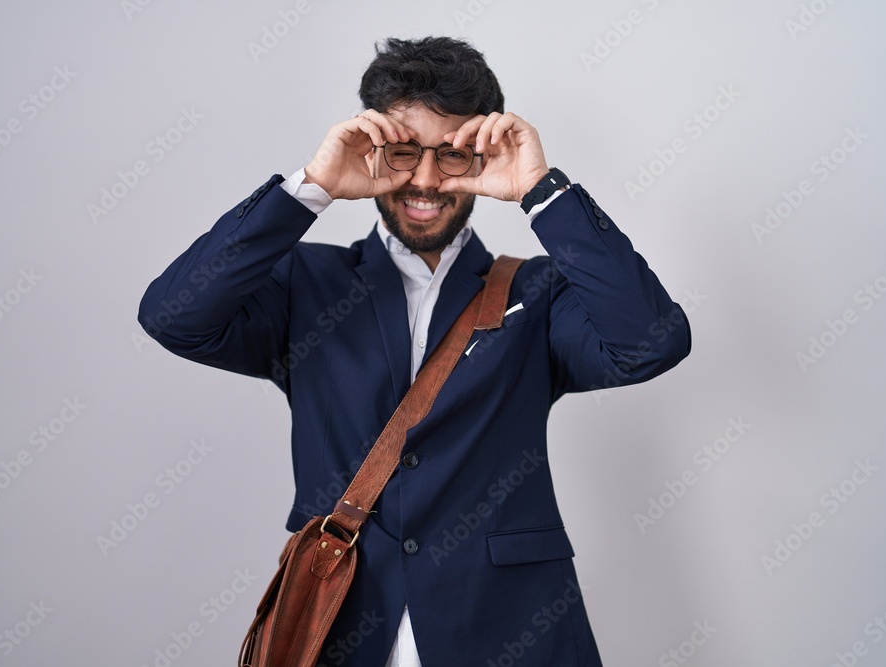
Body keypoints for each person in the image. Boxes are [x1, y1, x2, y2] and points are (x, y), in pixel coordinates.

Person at [139, 36, 690, 667]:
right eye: (404, 152)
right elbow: (173, 316)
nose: (425, 181)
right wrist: (311, 188)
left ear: (481, 152)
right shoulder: (304, 285)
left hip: (508, 625)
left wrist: (541, 192)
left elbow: (651, 343)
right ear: (372, 148)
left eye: (451, 155)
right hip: (341, 623)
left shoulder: (538, 294)